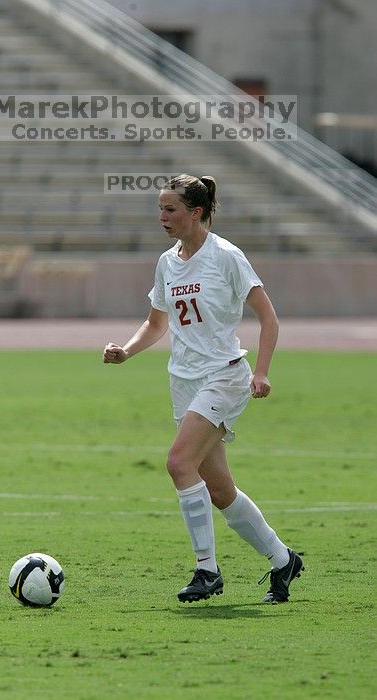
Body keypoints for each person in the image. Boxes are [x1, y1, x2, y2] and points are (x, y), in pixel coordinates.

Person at [103, 174, 304, 604]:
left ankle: (206, 570)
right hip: (184, 381)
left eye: (170, 209)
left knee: (178, 463)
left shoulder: (226, 256)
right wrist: (127, 351)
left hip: (225, 376)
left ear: (197, 212)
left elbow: (269, 318)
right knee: (219, 491)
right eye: (160, 209)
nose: (162, 217)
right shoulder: (167, 262)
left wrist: (262, 372)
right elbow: (157, 322)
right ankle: (283, 559)